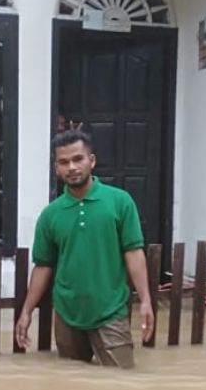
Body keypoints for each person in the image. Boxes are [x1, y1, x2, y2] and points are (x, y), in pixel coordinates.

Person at [14, 129, 155, 368]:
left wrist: (145, 300)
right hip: (67, 312)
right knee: (71, 385)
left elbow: (133, 252)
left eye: (78, 159)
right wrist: (27, 311)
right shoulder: (51, 215)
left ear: (92, 160)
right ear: (56, 168)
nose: (71, 167)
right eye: (63, 162)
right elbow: (43, 266)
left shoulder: (120, 202)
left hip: (111, 311)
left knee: (121, 381)